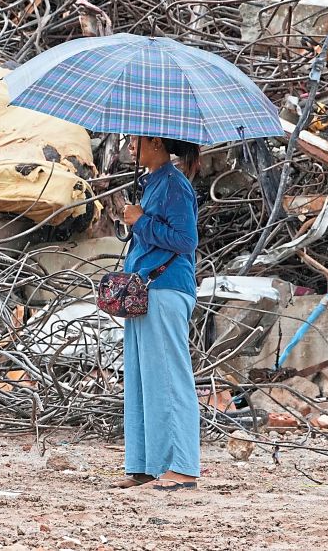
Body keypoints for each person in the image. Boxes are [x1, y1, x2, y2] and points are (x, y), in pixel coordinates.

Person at [115, 135, 202, 492]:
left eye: (135, 140)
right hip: (145, 292)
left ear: (154, 140)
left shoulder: (173, 184)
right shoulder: (153, 184)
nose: (130, 147)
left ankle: (181, 467)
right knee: (141, 378)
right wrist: (137, 221)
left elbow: (186, 240)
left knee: (168, 377)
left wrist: (139, 221)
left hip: (165, 289)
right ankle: (145, 465)